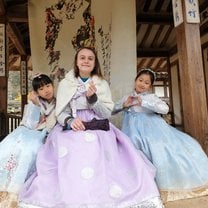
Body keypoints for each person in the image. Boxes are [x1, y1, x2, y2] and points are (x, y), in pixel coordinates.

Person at [19, 47, 164, 208]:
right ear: (76, 61)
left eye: (90, 58)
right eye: (82, 58)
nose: (86, 61)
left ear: (95, 63)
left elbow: (106, 113)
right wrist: (69, 120)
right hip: (71, 125)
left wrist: (93, 99)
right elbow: (60, 112)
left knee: (99, 145)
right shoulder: (66, 84)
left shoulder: (101, 83)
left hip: (97, 124)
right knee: (68, 146)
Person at [112, 68, 208, 203]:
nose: (142, 84)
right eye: (140, 80)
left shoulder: (151, 97)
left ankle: (163, 185)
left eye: (146, 83)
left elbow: (164, 109)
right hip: (132, 130)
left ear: (150, 86)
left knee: (161, 148)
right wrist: (123, 105)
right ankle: (138, 186)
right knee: (130, 147)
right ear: (135, 81)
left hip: (153, 128)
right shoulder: (127, 97)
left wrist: (143, 102)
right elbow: (112, 110)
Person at [0, 74, 56, 207]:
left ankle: (18, 188)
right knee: (8, 146)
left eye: (48, 86)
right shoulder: (34, 103)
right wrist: (35, 105)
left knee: (30, 149)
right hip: (28, 132)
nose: (46, 90)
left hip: (43, 134)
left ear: (53, 86)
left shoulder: (60, 102)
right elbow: (29, 123)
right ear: (36, 92)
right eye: (41, 89)